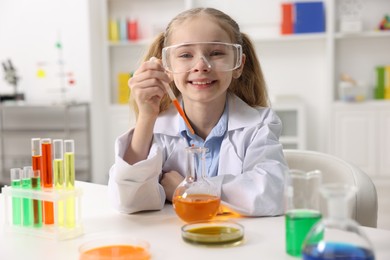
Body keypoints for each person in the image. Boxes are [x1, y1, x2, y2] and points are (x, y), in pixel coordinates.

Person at [108, 7, 288, 216]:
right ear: (167, 66)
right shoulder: (157, 127)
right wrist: (147, 117)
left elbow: (272, 193)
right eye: (185, 55)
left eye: (217, 53)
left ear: (238, 64)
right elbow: (128, 200)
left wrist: (187, 188)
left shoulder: (260, 124)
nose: (201, 65)